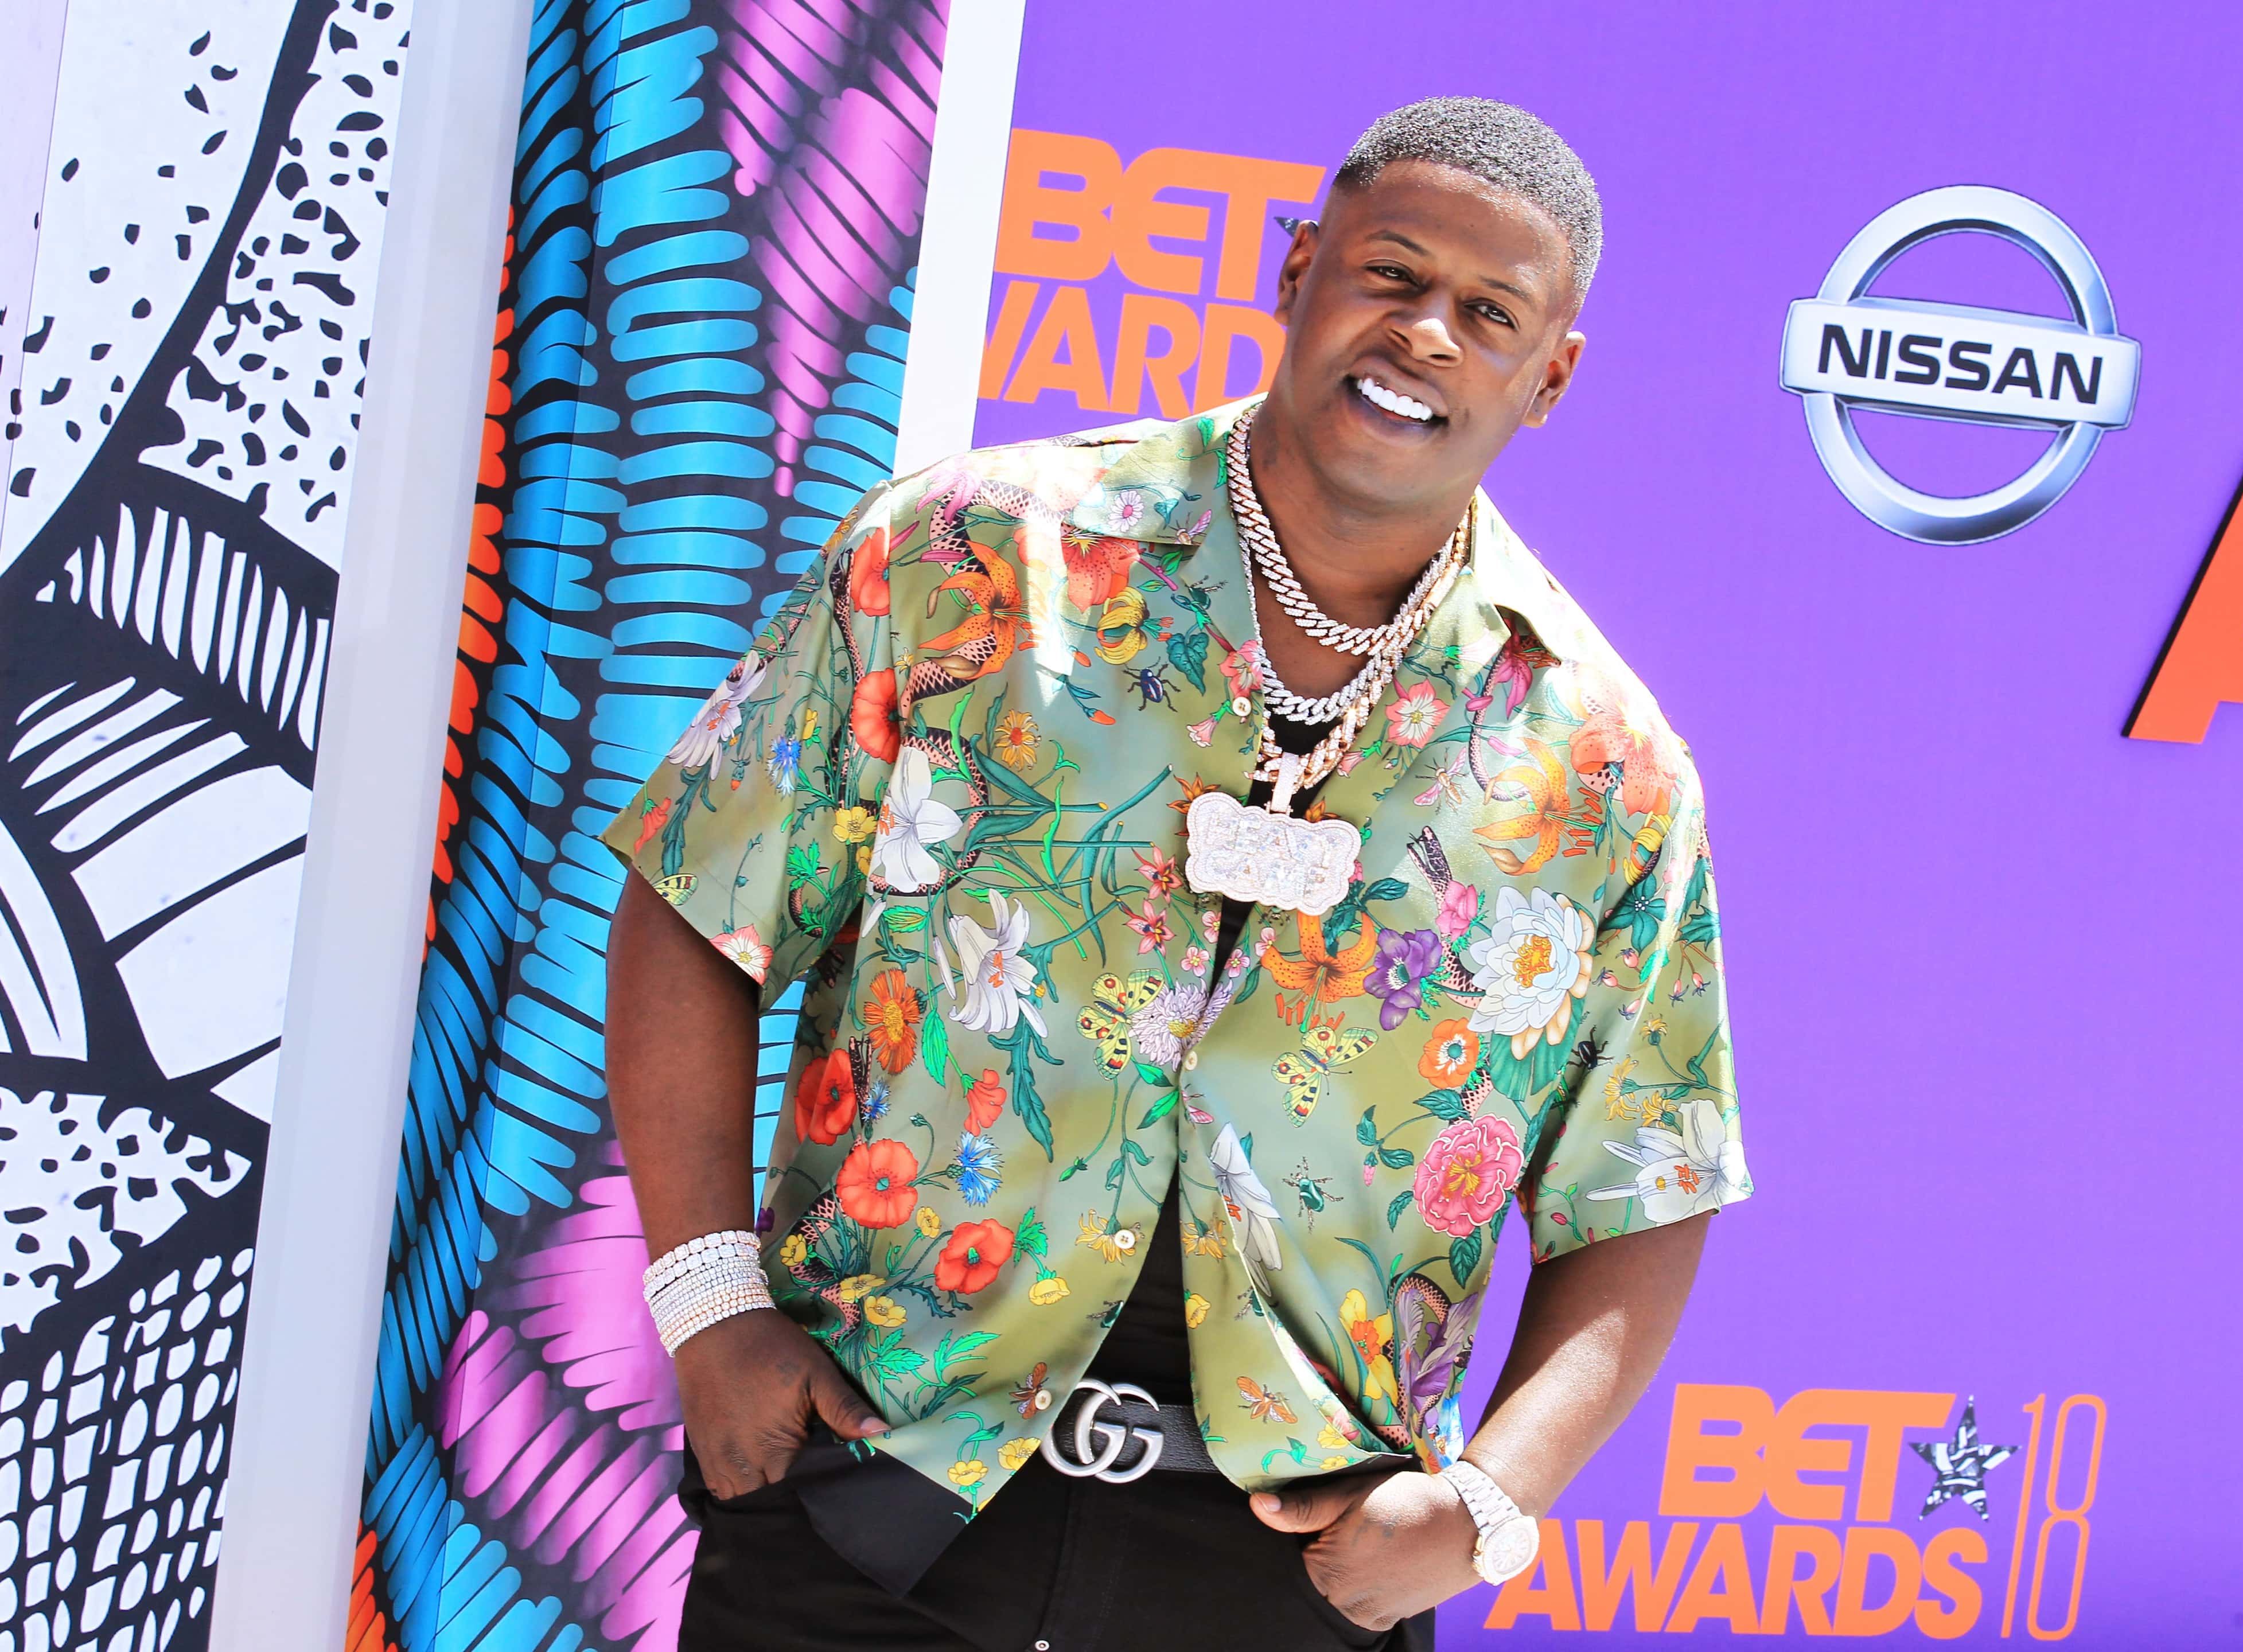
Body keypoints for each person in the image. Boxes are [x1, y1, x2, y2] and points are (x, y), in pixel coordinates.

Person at [602, 96, 1750, 1651]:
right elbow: (698, 895)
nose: (1424, 334)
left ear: (1550, 376)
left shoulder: (1603, 768)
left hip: (1287, 1575)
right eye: (1391, 274)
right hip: (875, 1493)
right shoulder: (966, 558)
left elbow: (1647, 1179)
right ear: (1297, 269)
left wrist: (1491, 1501)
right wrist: (706, 1303)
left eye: (1490, 315)